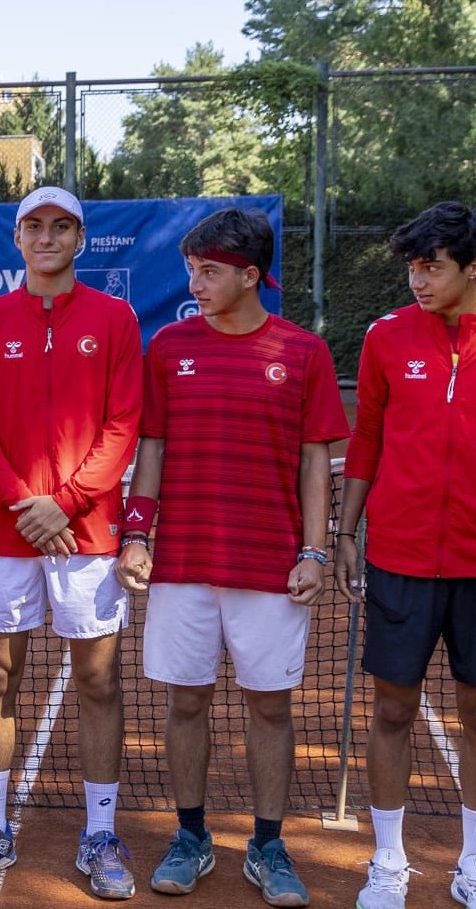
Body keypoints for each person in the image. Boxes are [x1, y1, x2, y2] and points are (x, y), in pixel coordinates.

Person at [116, 207, 347, 908]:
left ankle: (268, 845)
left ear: (250, 276)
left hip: (271, 566)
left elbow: (316, 461)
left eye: (209, 271)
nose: (196, 283)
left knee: (269, 707)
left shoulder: (303, 352)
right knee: (185, 701)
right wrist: (136, 534)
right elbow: (152, 447)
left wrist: (315, 550)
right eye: (191, 269)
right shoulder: (168, 347)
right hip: (183, 563)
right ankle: (190, 836)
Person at [336, 202, 476, 909]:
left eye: (431, 266)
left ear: (475, 267)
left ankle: (475, 866)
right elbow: (367, 439)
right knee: (392, 710)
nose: (418, 280)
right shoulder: (384, 337)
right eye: (412, 266)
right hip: (399, 560)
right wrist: (346, 532)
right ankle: (388, 862)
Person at [0, 187, 143, 898]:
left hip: (87, 535)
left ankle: (100, 835)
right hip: (6, 534)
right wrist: (23, 504)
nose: (47, 237)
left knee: (98, 682)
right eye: (34, 225)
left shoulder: (115, 318)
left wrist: (60, 505)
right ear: (18, 237)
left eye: (61, 226)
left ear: (80, 238)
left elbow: (123, 425)